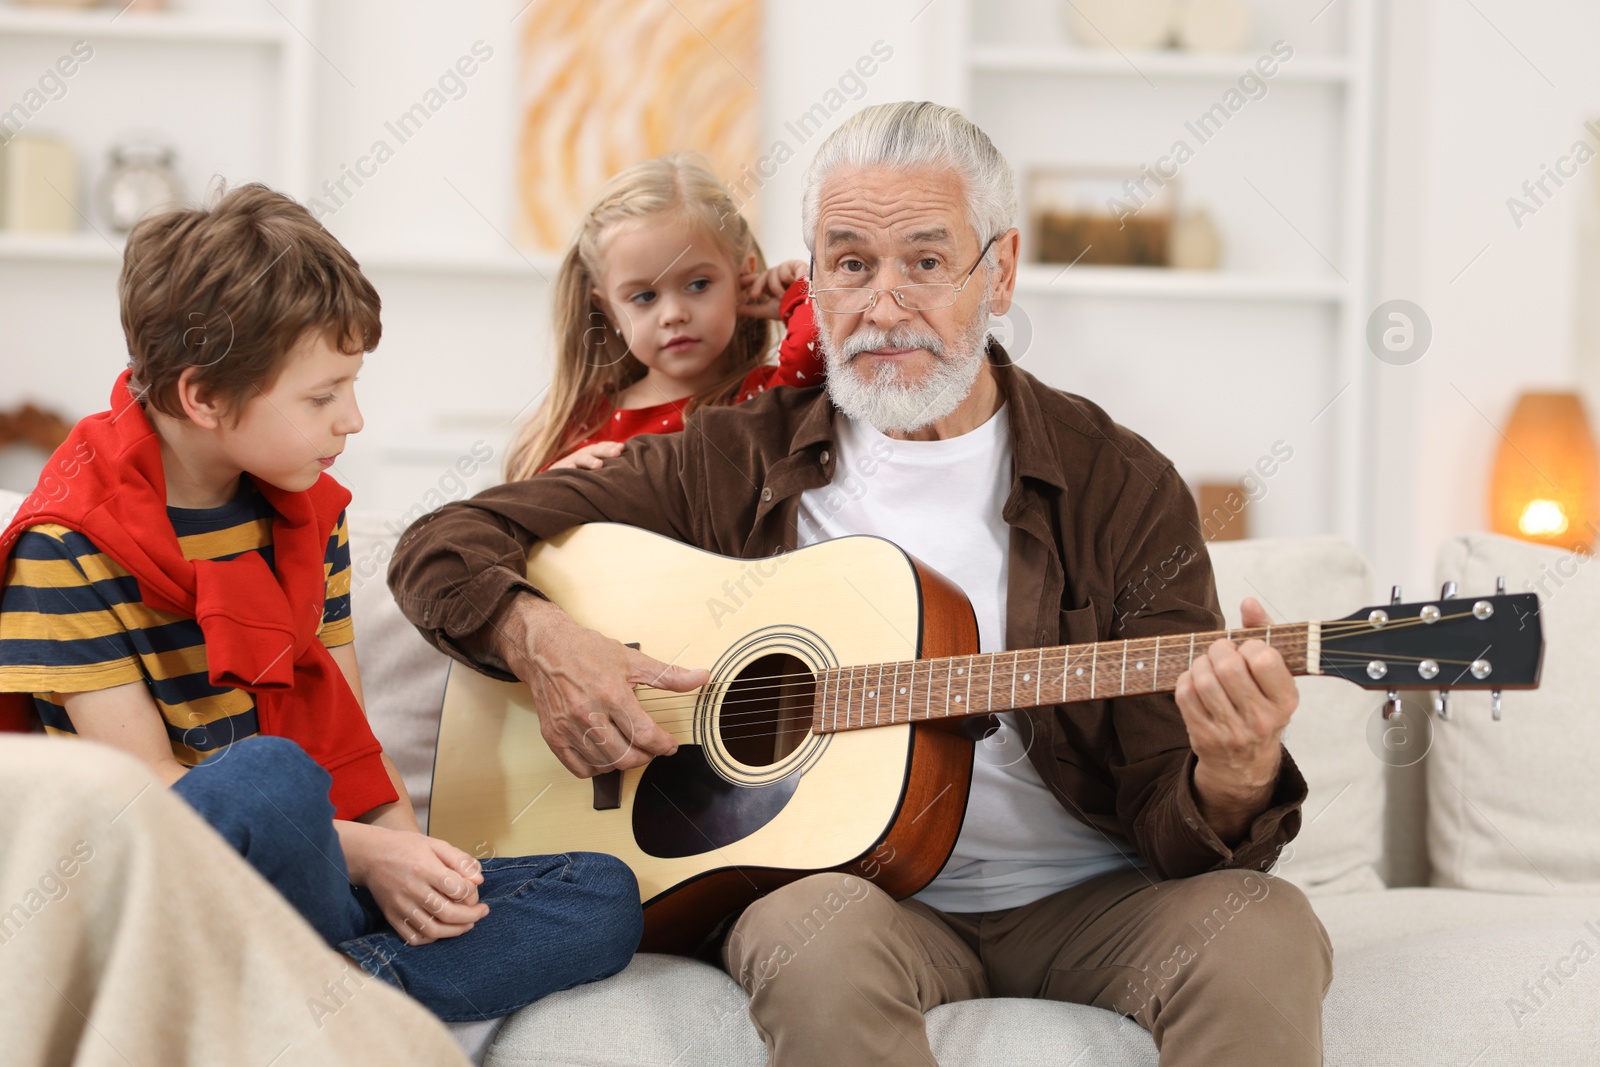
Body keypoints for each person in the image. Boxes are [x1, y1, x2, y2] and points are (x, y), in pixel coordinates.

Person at [387, 102, 1332, 1066]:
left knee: (1263, 925)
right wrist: (544, 642)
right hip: (854, 897)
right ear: (813, 280)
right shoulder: (731, 460)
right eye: (850, 265)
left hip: (1090, 899)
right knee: (810, 934)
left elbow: (1181, 835)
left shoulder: (1118, 484)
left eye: (926, 262)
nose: (883, 307)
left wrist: (1235, 770)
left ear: (998, 272)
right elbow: (440, 545)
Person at [0, 183, 641, 1024]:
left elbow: (345, 733)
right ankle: (325, 990)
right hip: (168, 881)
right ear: (203, 397)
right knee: (266, 780)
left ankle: (311, 997)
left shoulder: (306, 513)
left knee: (602, 893)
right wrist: (371, 856)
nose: (354, 418)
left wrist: (410, 860)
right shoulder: (65, 545)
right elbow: (144, 794)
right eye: (322, 395)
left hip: (321, 869)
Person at [504, 153, 821, 477]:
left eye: (698, 284)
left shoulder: (759, 398)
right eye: (644, 296)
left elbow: (815, 346)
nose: (673, 315)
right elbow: (517, 515)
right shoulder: (581, 421)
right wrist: (552, 484)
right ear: (609, 311)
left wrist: (799, 293)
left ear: (744, 277)